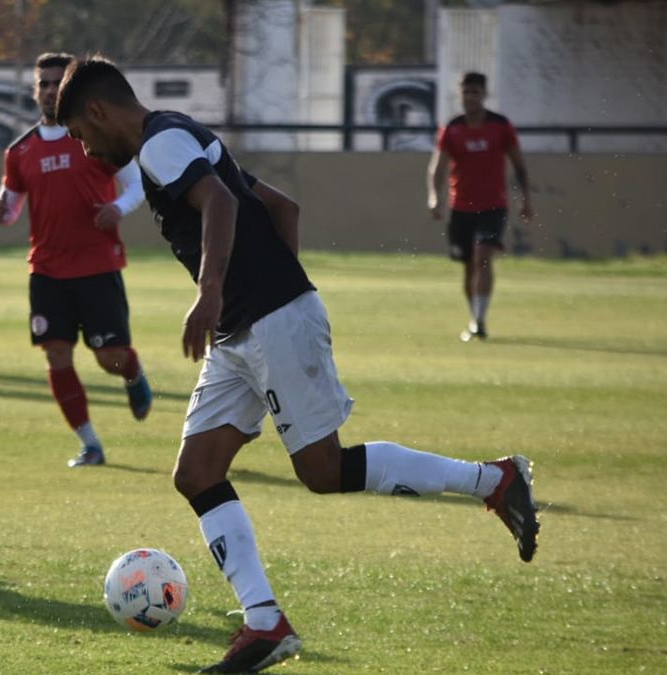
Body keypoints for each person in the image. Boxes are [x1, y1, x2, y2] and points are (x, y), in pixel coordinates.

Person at [55, 57, 540, 672]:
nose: (84, 146)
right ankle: (265, 625)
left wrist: (220, 294)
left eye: (78, 132)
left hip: (265, 320)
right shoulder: (182, 132)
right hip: (247, 329)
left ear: (97, 110)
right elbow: (283, 208)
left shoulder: (158, 146)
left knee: (323, 468)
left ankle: (494, 481)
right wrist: (264, 292)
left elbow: (222, 208)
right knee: (197, 472)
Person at [0, 53, 151, 468]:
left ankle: (132, 371)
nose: (48, 91)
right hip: (46, 269)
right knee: (56, 354)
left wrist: (118, 208)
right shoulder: (19, 150)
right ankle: (90, 444)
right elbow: (11, 208)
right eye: (42, 84)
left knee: (109, 358)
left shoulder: (96, 137)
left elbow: (137, 185)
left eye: (57, 83)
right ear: (33, 90)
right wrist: (0, 213)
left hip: (97, 265)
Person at [427, 71, 533, 342]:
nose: (470, 97)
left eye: (475, 92)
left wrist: (526, 199)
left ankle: (480, 320)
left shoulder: (501, 126)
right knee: (468, 266)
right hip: (461, 206)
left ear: (484, 95)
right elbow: (437, 167)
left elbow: (519, 165)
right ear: (460, 95)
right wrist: (434, 196)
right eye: (466, 92)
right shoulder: (452, 128)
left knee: (483, 255)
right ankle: (473, 316)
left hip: (493, 205)